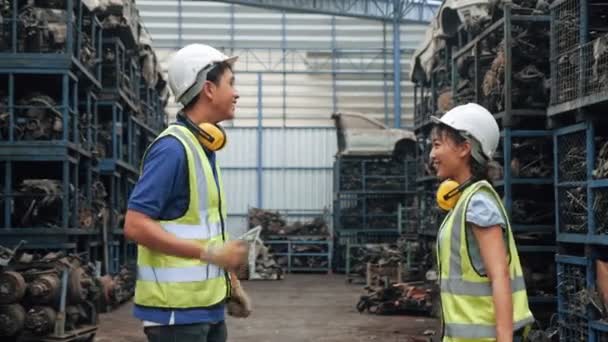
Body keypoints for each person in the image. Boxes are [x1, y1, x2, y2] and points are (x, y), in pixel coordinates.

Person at [124, 43, 251, 342]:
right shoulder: (172, 149)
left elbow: (205, 231)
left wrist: (229, 283)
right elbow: (135, 224)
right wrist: (209, 254)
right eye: (231, 83)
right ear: (208, 88)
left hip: (206, 308)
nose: (236, 93)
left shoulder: (202, 149)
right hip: (176, 314)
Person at [429, 103, 535, 341]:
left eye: (437, 145)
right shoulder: (464, 201)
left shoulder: (478, 204)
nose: (432, 155)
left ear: (464, 148)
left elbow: (500, 276)